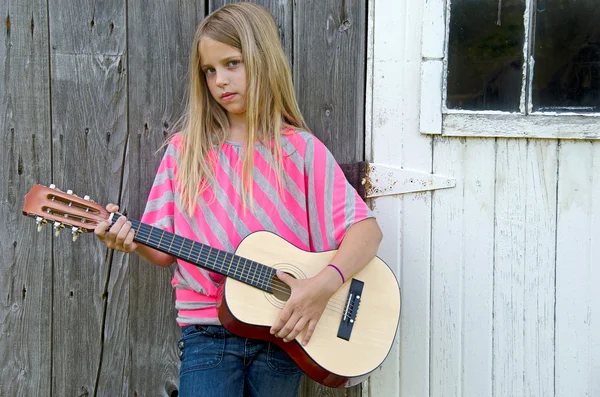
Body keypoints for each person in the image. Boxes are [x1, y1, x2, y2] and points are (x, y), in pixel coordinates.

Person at [94, 3, 382, 396]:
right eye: (209, 71)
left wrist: (321, 286)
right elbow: (162, 249)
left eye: (232, 64)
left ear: (263, 61)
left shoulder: (300, 151)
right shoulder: (186, 152)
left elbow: (366, 231)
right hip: (207, 333)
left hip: (285, 334)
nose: (220, 81)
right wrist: (127, 239)